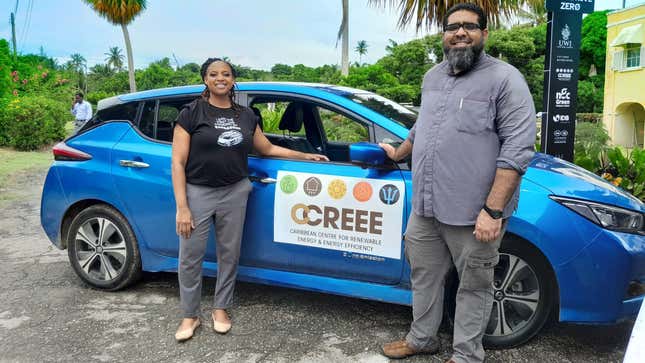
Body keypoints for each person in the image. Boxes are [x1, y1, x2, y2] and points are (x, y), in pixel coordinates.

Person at [379, 3, 536, 363]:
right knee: (423, 276)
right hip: (427, 206)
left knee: (474, 285)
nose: (460, 32)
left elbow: (518, 149)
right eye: (453, 27)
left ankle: (466, 355)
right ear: (444, 35)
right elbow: (422, 127)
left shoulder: (506, 79)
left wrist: (492, 210)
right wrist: (397, 154)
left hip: (474, 212)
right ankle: (421, 339)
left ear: (484, 34)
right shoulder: (433, 76)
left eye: (469, 26)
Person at [172, 57, 328, 342]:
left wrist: (304, 156)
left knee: (229, 254)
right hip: (198, 192)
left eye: (227, 74)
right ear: (205, 79)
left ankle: (221, 308)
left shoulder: (245, 115)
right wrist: (183, 207)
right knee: (190, 257)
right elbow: (178, 162)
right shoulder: (191, 113)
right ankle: (190, 315)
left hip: (235, 190)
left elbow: (266, 148)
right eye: (214, 74)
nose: (221, 78)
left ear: (233, 80)